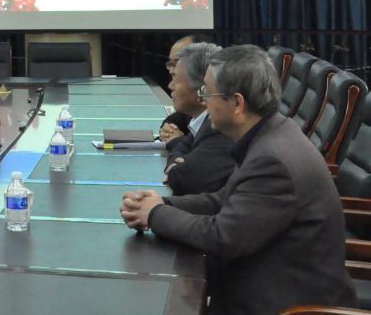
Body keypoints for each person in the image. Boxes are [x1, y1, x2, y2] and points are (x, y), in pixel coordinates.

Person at [120, 45, 355, 315]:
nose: (203, 100)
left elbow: (222, 237)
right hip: (264, 286)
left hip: (290, 305)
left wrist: (155, 215)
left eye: (207, 92)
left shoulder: (273, 160)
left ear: (238, 104)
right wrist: (162, 204)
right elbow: (223, 199)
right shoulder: (271, 132)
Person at [162, 42, 236, 195]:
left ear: (201, 89)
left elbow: (184, 180)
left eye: (176, 79)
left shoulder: (219, 126)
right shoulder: (203, 122)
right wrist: (180, 159)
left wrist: (177, 168)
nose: (170, 86)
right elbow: (185, 142)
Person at [159, 33, 214, 144]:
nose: (172, 70)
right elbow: (174, 120)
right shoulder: (193, 113)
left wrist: (177, 141)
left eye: (178, 63)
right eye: (171, 63)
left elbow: (199, 153)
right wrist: (169, 130)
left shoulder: (218, 125)